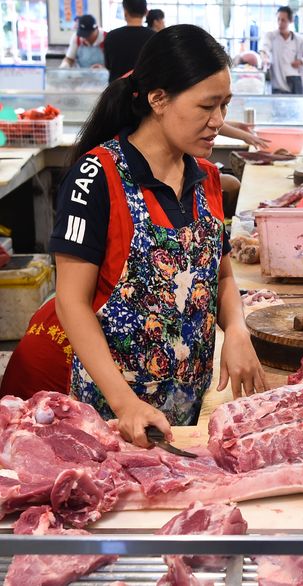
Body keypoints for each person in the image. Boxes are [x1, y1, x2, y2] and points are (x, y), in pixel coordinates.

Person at [0, 24, 267, 448]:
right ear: (158, 99)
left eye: (225, 105)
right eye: (206, 106)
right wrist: (125, 404)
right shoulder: (97, 177)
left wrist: (235, 329)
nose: (218, 121)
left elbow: (221, 276)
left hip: (184, 415)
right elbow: (71, 303)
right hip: (113, 417)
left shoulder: (207, 178)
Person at [261, 6, 303, 95]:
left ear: (290, 21)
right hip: (278, 85)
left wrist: (301, 61)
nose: (280, 23)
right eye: (278, 19)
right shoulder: (271, 36)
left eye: (283, 20)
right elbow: (264, 49)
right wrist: (265, 58)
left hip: (295, 83)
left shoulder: (298, 39)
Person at [104, 0, 155, 81]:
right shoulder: (154, 36)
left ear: (125, 12)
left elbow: (108, 65)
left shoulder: (111, 36)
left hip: (117, 87)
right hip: (145, 87)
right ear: (146, 12)